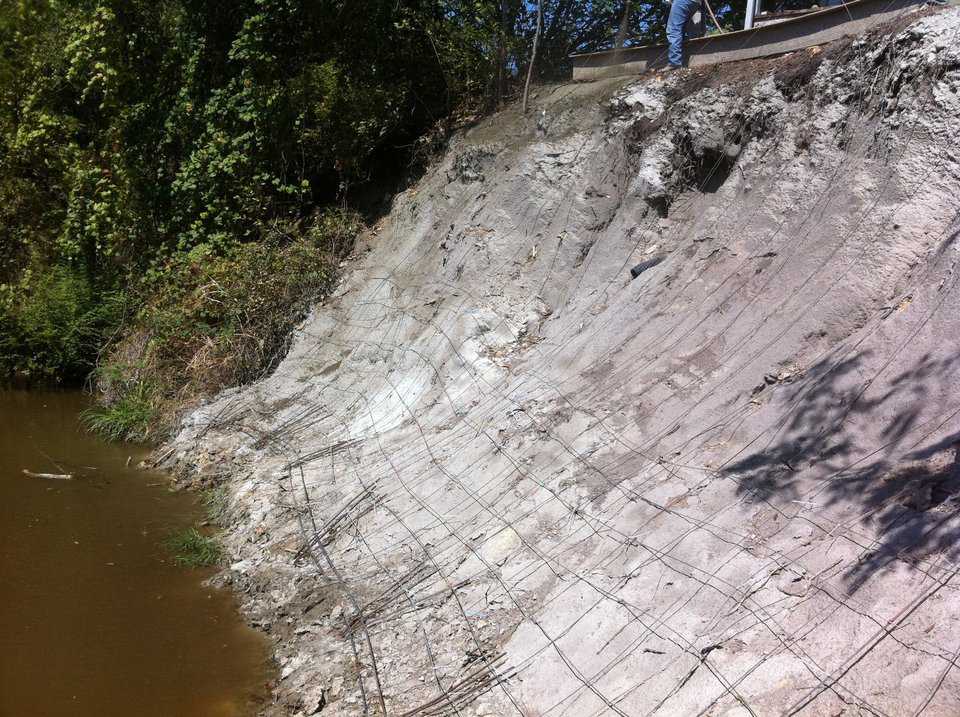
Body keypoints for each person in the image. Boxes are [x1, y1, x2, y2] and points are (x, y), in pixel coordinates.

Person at [666, 0, 703, 69]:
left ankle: (674, 63)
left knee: (674, 30)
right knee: (689, 31)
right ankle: (690, 62)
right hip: (696, 2)